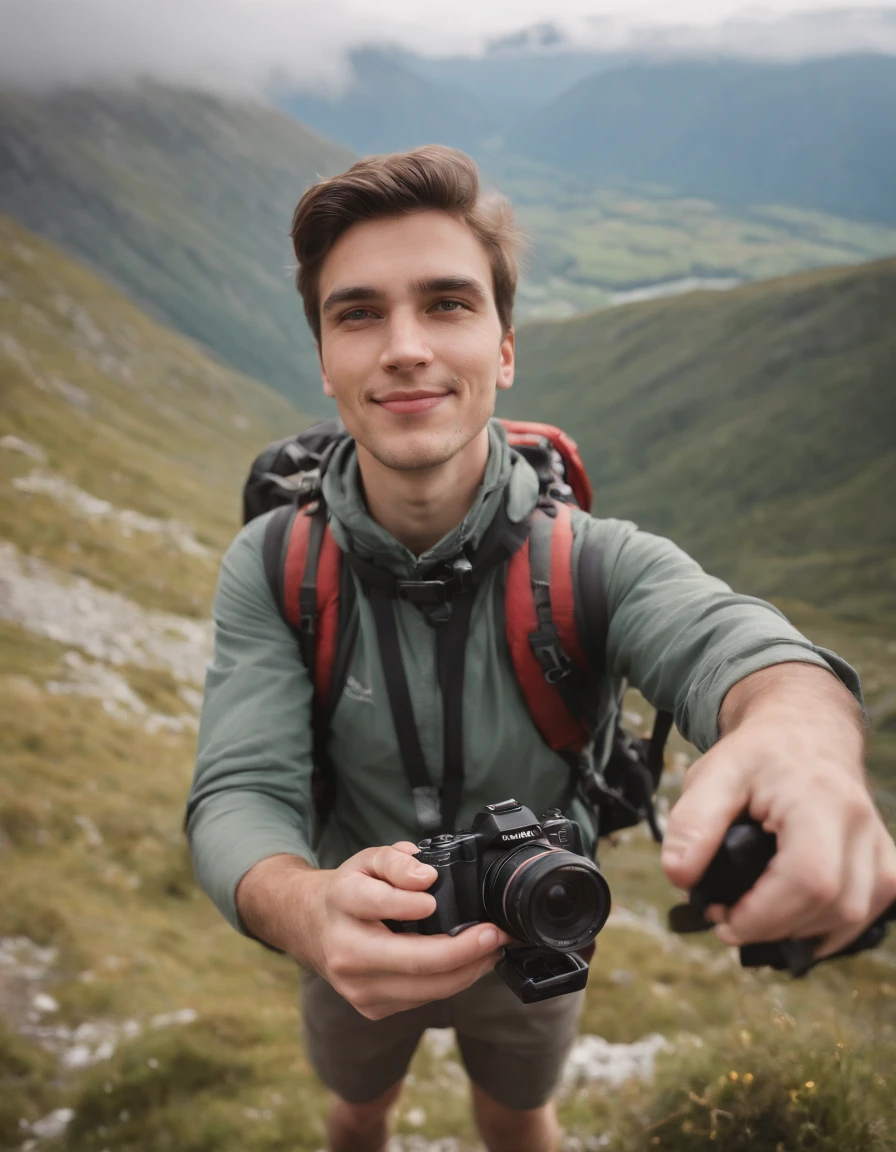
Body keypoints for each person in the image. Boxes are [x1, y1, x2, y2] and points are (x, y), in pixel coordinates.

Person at [185, 145, 896, 1152]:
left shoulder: (594, 563)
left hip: (542, 914)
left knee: (518, 1119)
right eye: (357, 313)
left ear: (503, 347)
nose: (403, 348)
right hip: (348, 929)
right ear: (323, 359)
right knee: (355, 1114)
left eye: (446, 304)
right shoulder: (273, 565)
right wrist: (300, 905)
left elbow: (723, 639)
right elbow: (237, 790)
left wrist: (805, 733)